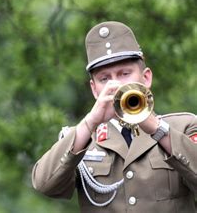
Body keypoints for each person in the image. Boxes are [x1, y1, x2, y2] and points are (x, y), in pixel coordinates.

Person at [31, 21, 197, 212]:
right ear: (94, 89)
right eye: (104, 78)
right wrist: (89, 123)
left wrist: (155, 127)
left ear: (146, 78)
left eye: (124, 73)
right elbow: (44, 185)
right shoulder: (82, 139)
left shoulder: (183, 127)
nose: (115, 84)